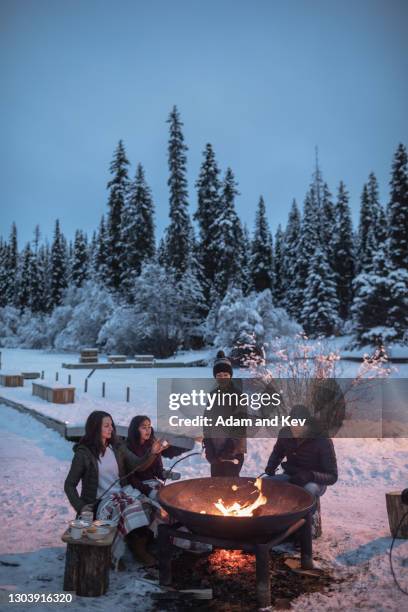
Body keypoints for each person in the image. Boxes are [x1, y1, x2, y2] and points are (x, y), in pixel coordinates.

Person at [64, 410, 165, 567]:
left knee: (150, 505)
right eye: (106, 425)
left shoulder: (117, 448)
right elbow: (69, 485)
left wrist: (152, 453)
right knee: (128, 509)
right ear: (95, 428)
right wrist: (81, 506)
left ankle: (140, 545)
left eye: (111, 424)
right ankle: (118, 552)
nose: (111, 428)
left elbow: (138, 465)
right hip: (100, 501)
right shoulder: (84, 454)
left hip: (121, 493)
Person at [264, 404, 338, 500]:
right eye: (292, 424)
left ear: (307, 425)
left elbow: (332, 476)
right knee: (265, 484)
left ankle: (312, 513)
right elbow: (277, 453)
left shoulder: (322, 440)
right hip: (291, 476)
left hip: (315, 481)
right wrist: (271, 466)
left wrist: (310, 475)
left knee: (308, 490)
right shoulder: (285, 433)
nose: (294, 428)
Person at [203, 350, 247, 477]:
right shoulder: (212, 396)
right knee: (215, 487)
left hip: (233, 452)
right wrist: (209, 448)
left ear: (230, 376)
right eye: (219, 375)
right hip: (216, 452)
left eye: (225, 375)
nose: (222, 378)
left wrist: (229, 450)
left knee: (230, 488)